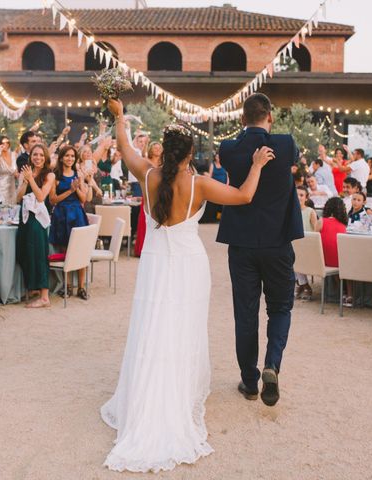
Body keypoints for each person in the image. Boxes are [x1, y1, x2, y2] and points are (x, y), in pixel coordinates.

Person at [101, 97, 276, 472]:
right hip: (188, 267)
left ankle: (148, 397)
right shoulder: (200, 184)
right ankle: (175, 396)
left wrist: (120, 117)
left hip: (154, 265)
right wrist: (258, 164)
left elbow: (125, 148)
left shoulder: (148, 176)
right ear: (190, 152)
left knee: (152, 326)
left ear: (166, 151)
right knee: (181, 330)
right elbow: (245, 195)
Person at [218, 93, 303, 409]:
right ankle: (272, 364)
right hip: (278, 243)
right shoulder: (285, 144)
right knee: (280, 308)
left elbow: (240, 149)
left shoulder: (228, 149)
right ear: (271, 117)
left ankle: (250, 381)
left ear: (241, 119)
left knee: (246, 312)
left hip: (241, 244)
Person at [49, 145, 91, 299]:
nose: (70, 159)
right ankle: (67, 286)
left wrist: (78, 188)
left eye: (72, 156)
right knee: (65, 250)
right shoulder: (56, 176)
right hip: (62, 214)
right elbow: (53, 200)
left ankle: (81, 287)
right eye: (67, 156)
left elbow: (83, 199)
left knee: (80, 250)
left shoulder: (77, 175)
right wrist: (69, 191)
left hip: (77, 214)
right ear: (61, 158)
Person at [16, 143, 55, 309]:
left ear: (45, 157)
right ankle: (32, 288)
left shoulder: (49, 175)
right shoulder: (25, 172)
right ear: (30, 157)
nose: (37, 158)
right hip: (24, 217)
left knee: (39, 254)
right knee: (24, 252)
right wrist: (24, 181)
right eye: (34, 155)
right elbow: (17, 198)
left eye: (41, 155)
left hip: (37, 219)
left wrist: (31, 178)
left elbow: (40, 197)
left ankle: (44, 296)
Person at [295, 185, 316, 299]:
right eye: (297, 194)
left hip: (308, 245)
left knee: (296, 256)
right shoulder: (290, 210)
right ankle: (303, 284)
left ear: (306, 198)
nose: (298, 197)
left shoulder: (310, 212)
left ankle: (302, 284)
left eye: (301, 195)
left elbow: (317, 230)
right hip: (295, 244)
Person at [316, 197, 347, 268]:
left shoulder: (321, 221)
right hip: (340, 262)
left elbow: (314, 242)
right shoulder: (343, 225)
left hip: (322, 261)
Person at [0, 135, 18, 205]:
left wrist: (17, 174)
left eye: (7, 143)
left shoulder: (13, 154)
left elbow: (15, 169)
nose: (5, 145)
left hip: (12, 186)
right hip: (1, 186)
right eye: (3, 143)